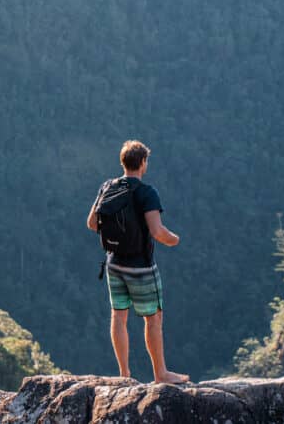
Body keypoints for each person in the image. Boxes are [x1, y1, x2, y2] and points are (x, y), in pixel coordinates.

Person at [86, 140, 188, 384]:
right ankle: (161, 374)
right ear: (143, 163)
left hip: (113, 263)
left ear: (123, 162)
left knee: (118, 316)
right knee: (153, 318)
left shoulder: (107, 187)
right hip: (140, 267)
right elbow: (157, 231)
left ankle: (124, 374)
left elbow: (91, 223)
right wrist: (175, 240)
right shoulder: (146, 192)